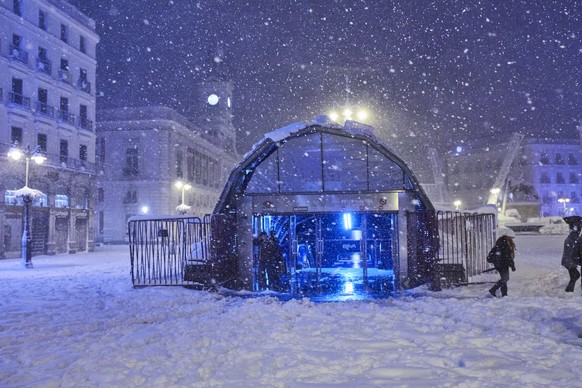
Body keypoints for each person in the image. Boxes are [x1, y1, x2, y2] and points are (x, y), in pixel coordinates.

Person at [488, 230, 517, 297]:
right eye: (512, 238)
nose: (512, 240)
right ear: (508, 237)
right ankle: (493, 290)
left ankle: (504, 294)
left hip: (499, 264)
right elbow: (508, 257)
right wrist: (512, 266)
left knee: (504, 278)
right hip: (502, 264)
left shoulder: (501, 242)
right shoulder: (505, 244)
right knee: (505, 278)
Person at [561, 217, 582, 292]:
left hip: (568, 261)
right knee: (575, 276)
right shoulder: (574, 238)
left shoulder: (572, 237)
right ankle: (568, 291)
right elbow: (576, 251)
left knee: (575, 276)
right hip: (569, 261)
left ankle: (569, 291)